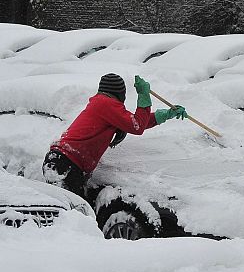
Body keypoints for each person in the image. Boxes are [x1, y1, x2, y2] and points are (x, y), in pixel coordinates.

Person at [42, 73, 188, 197]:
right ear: (119, 93)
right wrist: (143, 95)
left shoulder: (103, 104)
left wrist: (166, 114)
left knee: (72, 216)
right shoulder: (105, 104)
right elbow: (136, 126)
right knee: (71, 218)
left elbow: (136, 122)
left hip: (62, 162)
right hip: (66, 164)